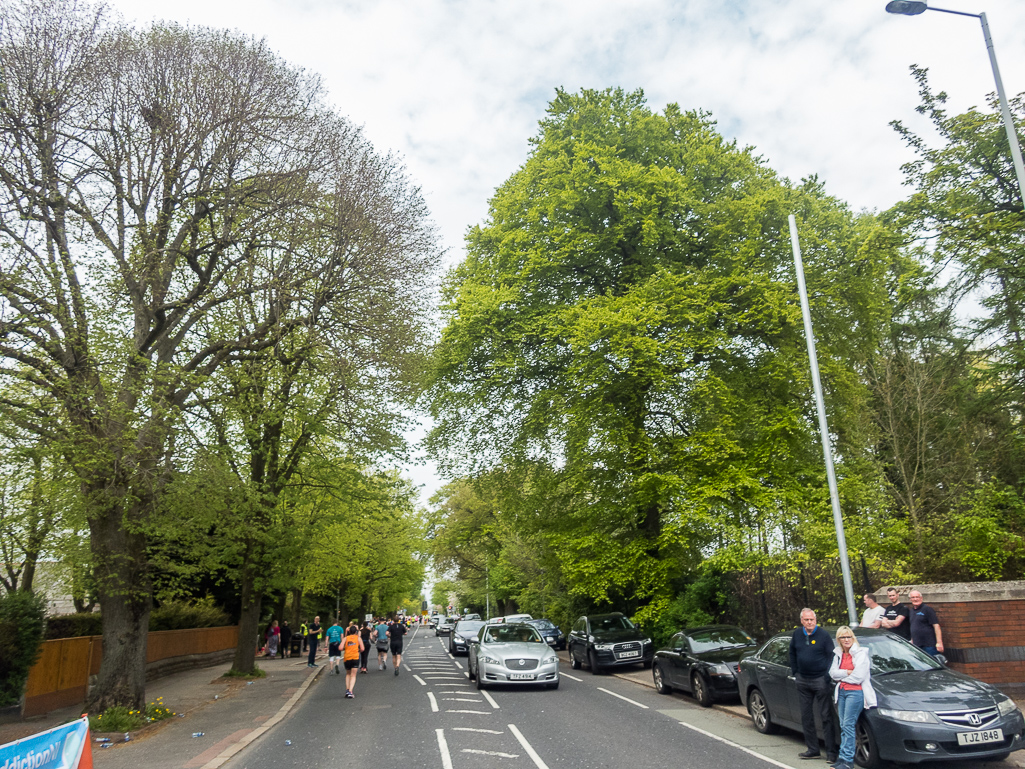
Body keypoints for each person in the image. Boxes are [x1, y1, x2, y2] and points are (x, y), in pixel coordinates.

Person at [789, 608, 838, 763]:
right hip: (803, 680)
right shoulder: (797, 634)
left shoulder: (823, 635)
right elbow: (792, 652)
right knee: (806, 716)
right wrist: (795, 671)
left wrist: (826, 676)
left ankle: (831, 752)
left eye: (812, 620)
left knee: (826, 716)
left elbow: (831, 656)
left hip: (820, 680)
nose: (809, 622)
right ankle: (813, 749)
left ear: (815, 620)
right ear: (801, 621)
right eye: (806, 620)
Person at [828, 627, 876, 769]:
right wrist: (848, 672)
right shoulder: (838, 654)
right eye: (843, 637)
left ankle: (848, 760)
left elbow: (859, 677)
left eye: (849, 636)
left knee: (848, 726)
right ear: (839, 640)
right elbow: (832, 673)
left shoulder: (861, 653)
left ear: (853, 638)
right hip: (841, 692)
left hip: (855, 693)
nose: (846, 640)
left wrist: (842, 676)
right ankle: (842, 758)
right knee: (843, 725)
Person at [908, 590, 944, 656]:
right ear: (910, 599)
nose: (915, 599)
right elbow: (913, 626)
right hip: (917, 645)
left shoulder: (927, 609)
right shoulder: (911, 611)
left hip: (929, 645)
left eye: (917, 597)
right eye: (913, 597)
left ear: (921, 598)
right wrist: (912, 640)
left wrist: (939, 642)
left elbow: (936, 626)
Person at [343, 623, 364, 698]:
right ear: (356, 632)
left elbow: (340, 647)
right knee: (353, 675)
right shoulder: (358, 638)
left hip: (347, 657)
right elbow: (362, 649)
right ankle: (350, 691)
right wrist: (358, 650)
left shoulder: (346, 638)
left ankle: (347, 689)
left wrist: (346, 648)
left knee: (348, 674)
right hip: (355, 657)